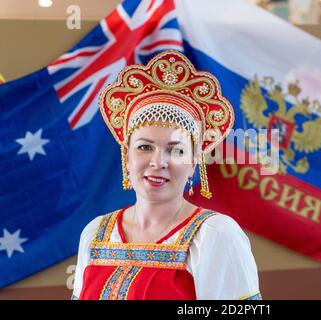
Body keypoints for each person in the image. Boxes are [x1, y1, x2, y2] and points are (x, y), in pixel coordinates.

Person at [71, 50, 261, 300]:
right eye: (144, 147)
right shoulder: (94, 233)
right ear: (127, 155)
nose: (158, 162)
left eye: (176, 150)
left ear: (194, 163)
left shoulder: (215, 235)